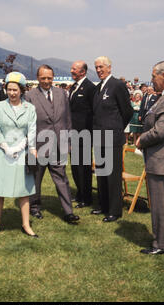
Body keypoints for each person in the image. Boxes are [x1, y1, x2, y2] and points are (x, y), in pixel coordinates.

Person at [136, 60, 164, 255]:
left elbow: (160, 131)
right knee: (163, 204)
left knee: (159, 205)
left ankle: (162, 244)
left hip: (162, 161)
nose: (152, 80)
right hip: (160, 160)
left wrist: (140, 140)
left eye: (154, 76)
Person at [0, 72, 38, 238]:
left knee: (23, 191)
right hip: (2, 152)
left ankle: (26, 224)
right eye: (9, 89)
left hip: (22, 153)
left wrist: (23, 145)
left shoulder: (30, 108)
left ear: (21, 90)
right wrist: (6, 147)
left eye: (15, 90)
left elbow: (32, 129)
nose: (12, 93)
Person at [25, 65, 79, 224]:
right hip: (38, 145)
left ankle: (69, 212)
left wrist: (68, 141)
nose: (47, 81)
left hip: (59, 146)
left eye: (49, 78)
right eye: (43, 78)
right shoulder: (29, 95)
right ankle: (34, 207)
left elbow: (67, 119)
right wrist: (30, 147)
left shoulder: (62, 93)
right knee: (35, 178)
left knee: (62, 178)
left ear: (53, 77)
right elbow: (27, 124)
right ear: (37, 78)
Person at [91, 56, 133, 222]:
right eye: (97, 67)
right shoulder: (99, 87)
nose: (99, 70)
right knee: (101, 172)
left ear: (109, 67)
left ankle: (115, 210)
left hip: (112, 137)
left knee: (113, 175)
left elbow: (127, 111)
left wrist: (117, 127)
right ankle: (103, 205)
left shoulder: (117, 85)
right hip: (99, 136)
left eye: (101, 67)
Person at [69, 60, 96, 208]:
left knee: (84, 168)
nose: (71, 71)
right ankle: (80, 193)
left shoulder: (90, 88)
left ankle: (87, 197)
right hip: (73, 134)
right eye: (72, 68)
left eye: (75, 69)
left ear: (83, 72)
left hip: (84, 135)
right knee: (75, 167)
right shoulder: (74, 86)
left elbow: (94, 112)